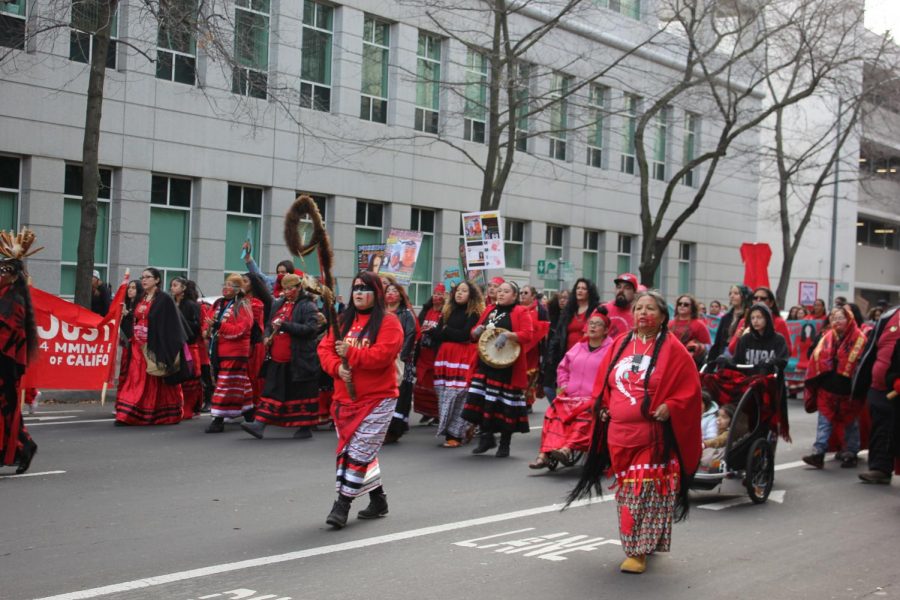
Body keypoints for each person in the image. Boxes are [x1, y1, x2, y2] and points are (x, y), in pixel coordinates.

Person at [567, 290, 702, 575]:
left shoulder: (674, 349)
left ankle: (636, 551)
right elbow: (604, 385)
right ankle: (645, 540)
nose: (642, 313)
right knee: (630, 494)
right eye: (639, 308)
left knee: (641, 492)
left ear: (663, 316)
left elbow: (690, 392)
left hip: (652, 438)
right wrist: (602, 407)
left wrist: (670, 405)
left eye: (650, 308)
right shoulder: (619, 344)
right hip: (619, 437)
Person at [317, 271, 404, 529]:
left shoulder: (389, 322)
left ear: (375, 294)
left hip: (378, 399)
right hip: (344, 399)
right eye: (356, 288)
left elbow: (382, 356)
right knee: (357, 452)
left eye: (365, 289)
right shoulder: (342, 319)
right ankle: (378, 499)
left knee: (357, 453)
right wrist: (337, 368)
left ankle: (342, 504)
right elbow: (324, 349)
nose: (358, 293)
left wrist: (351, 354)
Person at [530, 307, 613, 470]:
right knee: (553, 414)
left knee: (584, 418)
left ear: (605, 331)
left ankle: (567, 448)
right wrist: (564, 385)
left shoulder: (611, 350)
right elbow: (563, 368)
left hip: (593, 397)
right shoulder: (578, 347)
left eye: (598, 324)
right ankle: (544, 453)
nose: (593, 327)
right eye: (591, 323)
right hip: (571, 395)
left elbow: (613, 374)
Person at [242, 273, 322, 440]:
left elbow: (311, 329)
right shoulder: (278, 304)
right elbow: (269, 325)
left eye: (291, 288)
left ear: (299, 287)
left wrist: (286, 325)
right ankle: (259, 424)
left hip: (299, 359)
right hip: (277, 358)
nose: (287, 292)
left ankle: (304, 427)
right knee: (271, 390)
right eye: (285, 288)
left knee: (300, 394)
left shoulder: (308, 305)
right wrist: (266, 336)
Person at [463, 280, 535, 457]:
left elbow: (528, 335)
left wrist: (509, 335)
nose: (501, 294)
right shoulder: (489, 310)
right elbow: (473, 334)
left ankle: (505, 444)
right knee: (481, 402)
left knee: (504, 406)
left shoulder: (521, 311)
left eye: (505, 291)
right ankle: (486, 438)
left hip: (507, 367)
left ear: (514, 296)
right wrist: (476, 331)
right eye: (499, 291)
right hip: (486, 363)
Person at [115, 268, 186, 426]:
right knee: (135, 378)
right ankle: (128, 414)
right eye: (143, 277)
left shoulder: (164, 299)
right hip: (138, 347)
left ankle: (163, 413)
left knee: (157, 381)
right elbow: (137, 319)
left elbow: (172, 324)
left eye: (148, 277)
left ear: (157, 280)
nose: (144, 280)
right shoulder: (141, 297)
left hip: (154, 346)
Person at [802, 305, 867, 469]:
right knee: (824, 422)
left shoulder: (860, 339)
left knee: (850, 424)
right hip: (828, 388)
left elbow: (863, 365)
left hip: (849, 390)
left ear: (849, 320)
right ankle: (818, 453)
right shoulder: (825, 337)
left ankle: (851, 453)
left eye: (841, 317)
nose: (837, 321)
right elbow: (813, 356)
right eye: (834, 317)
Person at [0, 228, 39, 474]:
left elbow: (11, 334)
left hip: (6, 364)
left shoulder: (16, 300)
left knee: (7, 409)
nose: (1, 274)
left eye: (5, 271)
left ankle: (25, 446)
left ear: (15, 276)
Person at [851, 304, 900, 484]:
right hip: (881, 384)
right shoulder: (889, 316)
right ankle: (880, 468)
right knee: (879, 425)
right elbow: (871, 350)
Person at [433, 281, 484, 447]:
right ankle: (452, 431)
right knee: (444, 395)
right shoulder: (447, 310)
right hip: (445, 358)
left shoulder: (474, 313)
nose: (459, 293)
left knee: (459, 395)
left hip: (462, 358)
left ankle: (456, 434)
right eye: (457, 290)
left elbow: (464, 335)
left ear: (472, 295)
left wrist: (446, 331)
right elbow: (439, 333)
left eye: (464, 291)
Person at [205, 274, 255, 433]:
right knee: (240, 383)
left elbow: (241, 329)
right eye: (225, 284)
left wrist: (219, 325)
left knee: (224, 384)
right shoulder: (218, 304)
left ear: (238, 289)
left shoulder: (243, 305)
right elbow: (207, 320)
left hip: (235, 351)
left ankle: (218, 420)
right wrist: (207, 328)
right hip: (218, 349)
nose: (225, 288)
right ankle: (250, 415)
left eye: (230, 285)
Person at [545, 279, 600, 402]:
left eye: (584, 288)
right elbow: (558, 334)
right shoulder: (569, 310)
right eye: (578, 288)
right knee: (551, 389)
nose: (580, 290)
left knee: (578, 392)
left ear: (590, 292)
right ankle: (559, 413)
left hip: (586, 358)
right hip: (566, 357)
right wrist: (551, 356)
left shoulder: (596, 310)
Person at [384, 280, 419, 442]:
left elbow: (410, 335)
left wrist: (400, 355)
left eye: (394, 291)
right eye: (388, 291)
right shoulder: (380, 313)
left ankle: (395, 428)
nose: (390, 293)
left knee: (401, 392)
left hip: (401, 358)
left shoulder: (406, 314)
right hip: (384, 358)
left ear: (400, 295)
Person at [727, 287, 793, 357]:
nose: (758, 300)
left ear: (771, 303)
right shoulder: (744, 321)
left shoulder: (779, 322)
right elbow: (732, 350)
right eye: (755, 298)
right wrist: (739, 338)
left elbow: (788, 351)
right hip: (747, 366)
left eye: (763, 298)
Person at [170, 277, 202, 420]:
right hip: (175, 345)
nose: (172, 287)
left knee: (190, 379)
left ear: (183, 288)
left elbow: (196, 327)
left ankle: (189, 407)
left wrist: (179, 322)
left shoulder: (190, 305)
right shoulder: (171, 303)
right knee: (177, 379)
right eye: (171, 285)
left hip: (189, 345)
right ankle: (177, 405)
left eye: (175, 285)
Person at [413, 284, 446, 425]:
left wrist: (432, 332)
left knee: (435, 385)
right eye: (435, 294)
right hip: (423, 353)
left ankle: (437, 413)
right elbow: (418, 326)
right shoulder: (427, 310)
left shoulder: (445, 313)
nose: (436, 297)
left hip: (435, 353)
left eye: (440, 294)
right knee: (421, 382)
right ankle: (425, 411)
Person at [242, 272, 273, 412]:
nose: (241, 284)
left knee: (255, 375)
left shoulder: (259, 302)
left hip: (256, 343)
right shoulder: (239, 300)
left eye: (245, 281)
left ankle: (257, 406)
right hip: (242, 343)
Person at [519, 285, 550, 410]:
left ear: (532, 296)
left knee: (530, 375)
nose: (522, 295)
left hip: (534, 350)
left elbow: (546, 327)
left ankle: (527, 401)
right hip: (519, 347)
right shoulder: (516, 309)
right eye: (521, 292)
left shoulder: (540, 310)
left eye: (525, 293)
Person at [731, 304, 790, 369]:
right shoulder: (745, 339)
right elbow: (736, 361)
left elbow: (783, 361)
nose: (755, 321)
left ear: (767, 319)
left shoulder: (778, 339)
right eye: (752, 318)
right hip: (749, 377)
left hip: (771, 377)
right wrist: (727, 361)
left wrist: (770, 362)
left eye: (759, 317)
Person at [707, 284, 751, 364]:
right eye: (730, 293)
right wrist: (710, 362)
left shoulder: (749, 317)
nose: (732, 296)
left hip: (740, 356)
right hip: (723, 355)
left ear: (744, 296)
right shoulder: (725, 317)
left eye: (736, 293)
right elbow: (718, 342)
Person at [669, 294, 711, 366]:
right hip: (671, 360)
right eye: (680, 304)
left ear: (692, 307)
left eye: (686, 304)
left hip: (691, 363)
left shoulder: (699, 325)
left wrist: (695, 347)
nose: (682, 306)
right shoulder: (669, 324)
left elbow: (707, 346)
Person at [117, 279, 142, 389]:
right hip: (126, 339)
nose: (130, 290)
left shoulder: (140, 304)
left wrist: (127, 314)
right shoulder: (126, 303)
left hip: (136, 341)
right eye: (129, 288)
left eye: (133, 288)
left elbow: (139, 320)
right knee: (125, 364)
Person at [699, 404, 736, 473]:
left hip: (723, 453)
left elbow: (718, 441)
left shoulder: (728, 433)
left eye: (724, 417)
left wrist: (705, 444)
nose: (718, 419)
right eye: (718, 416)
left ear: (732, 421)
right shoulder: (718, 429)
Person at [603, 273, 637, 340]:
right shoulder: (603, 309)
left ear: (635, 292)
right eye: (618, 287)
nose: (621, 290)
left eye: (627, 288)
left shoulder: (639, 313)